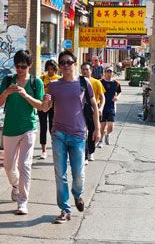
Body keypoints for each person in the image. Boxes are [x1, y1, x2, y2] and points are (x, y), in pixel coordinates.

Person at [45, 50, 101, 224]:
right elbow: (46, 107)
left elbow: (93, 107)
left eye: (69, 62)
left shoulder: (84, 83)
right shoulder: (53, 85)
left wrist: (97, 129)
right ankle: (64, 209)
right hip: (58, 134)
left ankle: (77, 195)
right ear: (59, 67)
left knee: (78, 174)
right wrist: (45, 99)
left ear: (75, 63)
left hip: (78, 135)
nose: (66, 66)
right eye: (62, 63)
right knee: (60, 174)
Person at [0, 49, 48, 215]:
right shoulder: (8, 80)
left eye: (23, 66)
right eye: (17, 66)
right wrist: (6, 92)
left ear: (30, 66)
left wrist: (25, 94)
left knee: (24, 165)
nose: (19, 69)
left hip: (28, 128)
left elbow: (41, 106)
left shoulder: (36, 82)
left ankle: (23, 202)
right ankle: (16, 184)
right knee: (8, 165)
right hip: (10, 127)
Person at [81, 62, 105, 163]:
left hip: (93, 109)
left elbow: (102, 97)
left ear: (91, 71)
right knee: (83, 132)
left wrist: (101, 108)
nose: (85, 71)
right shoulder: (79, 81)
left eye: (87, 69)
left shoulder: (96, 82)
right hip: (81, 109)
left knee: (92, 131)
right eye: (83, 69)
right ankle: (85, 155)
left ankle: (91, 151)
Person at [38, 59, 61, 159]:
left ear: (55, 69)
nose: (50, 71)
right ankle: (43, 150)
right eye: (48, 69)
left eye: (52, 69)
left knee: (53, 128)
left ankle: (55, 148)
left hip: (54, 107)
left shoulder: (59, 79)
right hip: (43, 105)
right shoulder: (42, 78)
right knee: (43, 127)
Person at [98, 66, 121, 148]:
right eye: (108, 71)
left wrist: (117, 97)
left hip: (111, 106)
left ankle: (107, 134)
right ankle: (100, 141)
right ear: (105, 72)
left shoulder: (116, 83)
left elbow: (119, 92)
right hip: (102, 106)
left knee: (111, 126)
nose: (109, 73)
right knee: (102, 125)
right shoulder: (100, 82)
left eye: (111, 72)